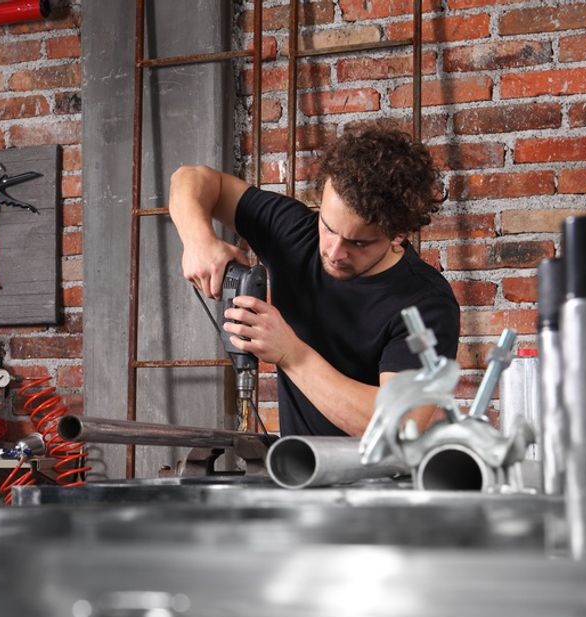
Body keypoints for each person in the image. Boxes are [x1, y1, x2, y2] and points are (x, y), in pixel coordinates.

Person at [169, 122, 460, 437]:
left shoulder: (425, 303)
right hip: (300, 476)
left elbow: (399, 424)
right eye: (329, 227)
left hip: (382, 484)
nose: (334, 251)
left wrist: (291, 353)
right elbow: (191, 178)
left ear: (398, 236)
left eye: (358, 243)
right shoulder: (295, 233)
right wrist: (199, 241)